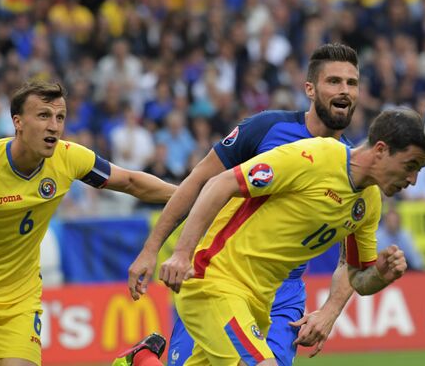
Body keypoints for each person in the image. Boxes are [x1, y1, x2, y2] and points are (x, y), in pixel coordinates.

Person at [128, 43, 360, 363]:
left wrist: (330, 312)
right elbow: (198, 182)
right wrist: (152, 248)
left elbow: (353, 259)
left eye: (352, 83)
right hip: (222, 275)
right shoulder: (267, 128)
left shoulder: (353, 168)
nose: (344, 90)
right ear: (310, 88)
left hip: (284, 291)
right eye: (334, 81)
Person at [162, 108, 425, 365]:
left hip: (260, 301)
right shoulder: (314, 157)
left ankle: (138, 359)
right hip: (214, 281)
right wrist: (181, 254)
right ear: (381, 150)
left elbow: (358, 277)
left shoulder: (369, 203)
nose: (413, 179)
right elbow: (219, 183)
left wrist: (381, 276)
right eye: (411, 165)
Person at [0, 81, 175, 366]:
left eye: (60, 117)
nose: (54, 126)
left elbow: (132, 182)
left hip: (17, 303)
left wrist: (194, 195)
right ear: (17, 122)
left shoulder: (68, 158)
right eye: (44, 115)